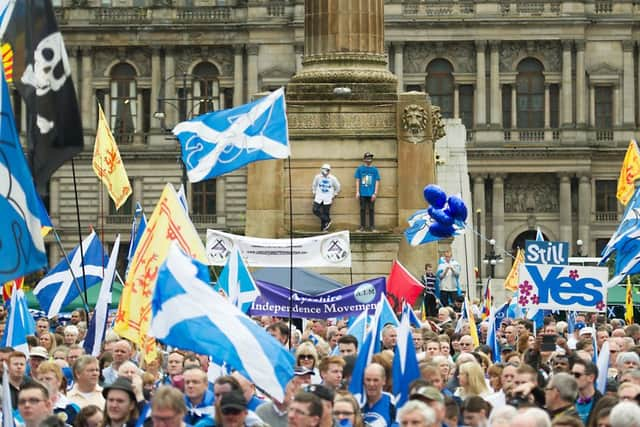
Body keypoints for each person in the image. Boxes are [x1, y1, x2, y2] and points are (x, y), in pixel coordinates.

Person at [354, 151, 380, 232]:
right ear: (364, 159)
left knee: (371, 209)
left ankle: (372, 227)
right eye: (367, 158)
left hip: (371, 194)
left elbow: (377, 181)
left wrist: (375, 193)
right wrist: (357, 192)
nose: (369, 160)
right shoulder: (360, 169)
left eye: (370, 158)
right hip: (362, 193)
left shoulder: (375, 170)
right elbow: (357, 180)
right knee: (362, 209)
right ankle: (362, 227)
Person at [312, 163, 341, 232]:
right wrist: (314, 192)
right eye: (324, 170)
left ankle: (324, 229)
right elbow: (314, 185)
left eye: (327, 170)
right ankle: (328, 220)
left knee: (325, 213)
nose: (325, 172)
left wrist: (334, 194)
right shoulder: (318, 177)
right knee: (315, 210)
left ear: (329, 171)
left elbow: (338, 187)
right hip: (318, 197)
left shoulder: (333, 178)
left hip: (327, 198)